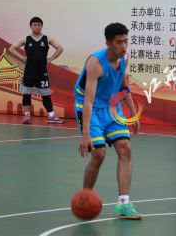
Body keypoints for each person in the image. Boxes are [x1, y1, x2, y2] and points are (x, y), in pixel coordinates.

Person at [75, 23, 142, 219]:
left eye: (126, 41)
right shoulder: (95, 63)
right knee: (99, 153)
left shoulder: (124, 58)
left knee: (125, 148)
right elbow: (88, 100)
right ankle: (85, 197)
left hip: (112, 106)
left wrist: (132, 113)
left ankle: (123, 204)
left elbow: (122, 85)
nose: (124, 46)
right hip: (90, 107)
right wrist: (85, 135)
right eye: (119, 42)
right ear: (108, 43)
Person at [9, 16, 64, 124]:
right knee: (26, 94)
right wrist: (21, 58)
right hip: (29, 72)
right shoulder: (25, 39)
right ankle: (27, 116)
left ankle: (51, 116)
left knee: (46, 94)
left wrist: (50, 59)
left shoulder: (47, 39)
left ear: (42, 26)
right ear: (31, 26)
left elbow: (60, 48)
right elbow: (11, 48)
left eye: (39, 25)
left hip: (42, 72)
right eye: (35, 25)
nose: (37, 27)